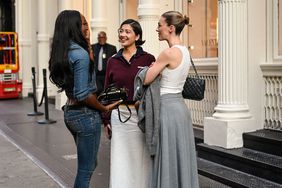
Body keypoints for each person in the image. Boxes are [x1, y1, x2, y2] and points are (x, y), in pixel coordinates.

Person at [48, 10, 121, 188]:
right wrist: (104, 108)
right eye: (82, 23)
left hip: (71, 114)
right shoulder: (79, 54)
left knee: (88, 164)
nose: (86, 27)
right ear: (73, 27)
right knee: (86, 170)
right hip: (85, 115)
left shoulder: (65, 52)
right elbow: (82, 94)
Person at [143, 11, 199, 188]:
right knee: (181, 156)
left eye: (160, 25)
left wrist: (151, 68)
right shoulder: (185, 51)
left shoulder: (168, 53)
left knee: (166, 156)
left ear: (171, 28)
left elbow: (145, 79)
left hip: (166, 108)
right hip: (180, 109)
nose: (157, 29)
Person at [103, 19, 155, 188]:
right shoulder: (112, 60)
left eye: (127, 31)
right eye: (121, 31)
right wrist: (106, 120)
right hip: (119, 116)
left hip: (141, 116)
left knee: (142, 159)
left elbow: (153, 89)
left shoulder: (148, 58)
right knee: (120, 160)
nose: (122, 35)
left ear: (137, 36)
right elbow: (106, 91)